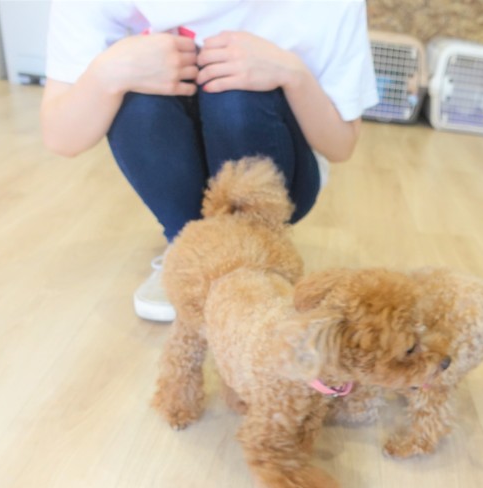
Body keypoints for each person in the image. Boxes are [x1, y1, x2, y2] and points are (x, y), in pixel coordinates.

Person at [40, 1, 379, 321]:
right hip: (179, 152)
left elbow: (341, 145)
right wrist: (109, 72)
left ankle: (253, 257)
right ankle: (188, 250)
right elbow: (61, 137)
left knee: (234, 94)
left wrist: (292, 74)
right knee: (136, 91)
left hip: (284, 174)